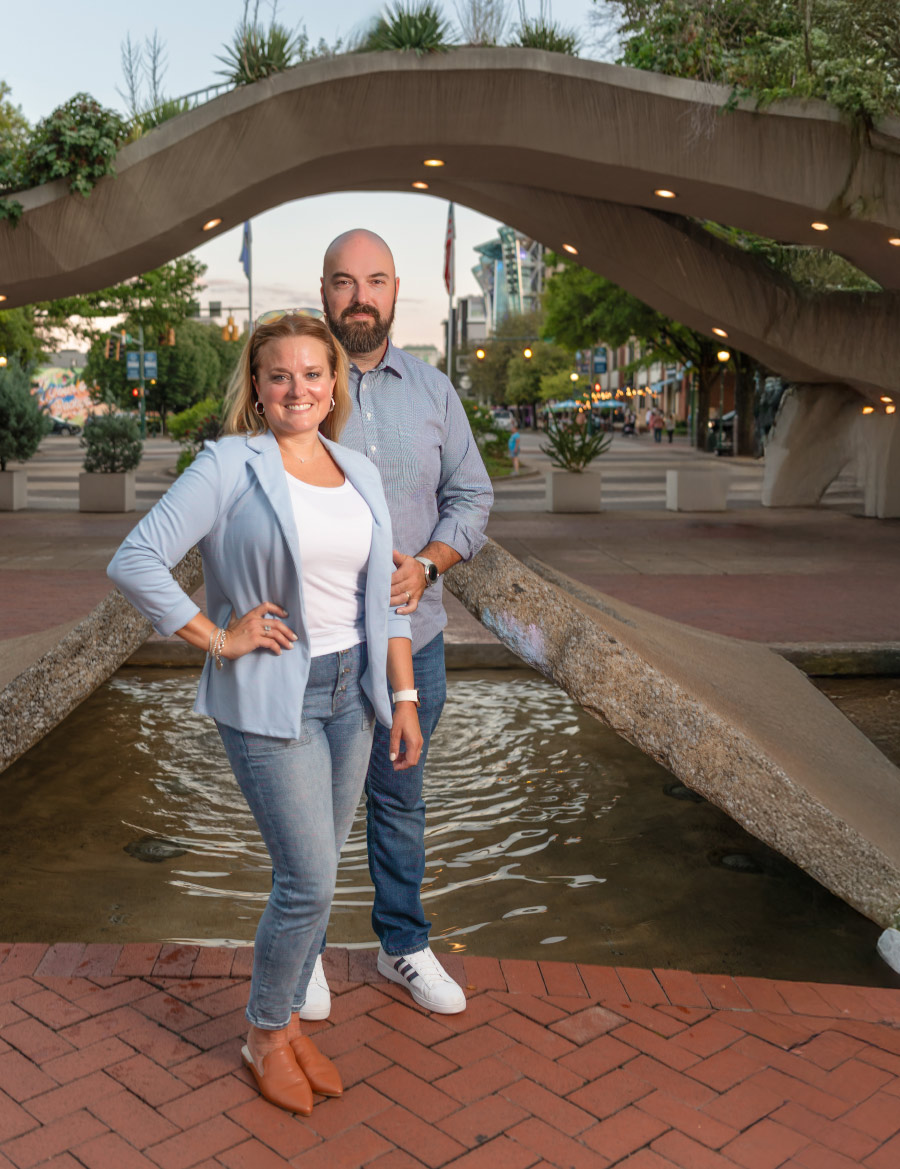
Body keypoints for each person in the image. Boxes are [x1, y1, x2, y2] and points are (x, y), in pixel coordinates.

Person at [108, 313, 422, 1116]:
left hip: (356, 693)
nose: (297, 389)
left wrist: (405, 695)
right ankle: (263, 1031)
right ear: (256, 384)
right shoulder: (226, 464)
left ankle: (280, 1029)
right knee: (307, 878)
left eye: (312, 374)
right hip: (271, 695)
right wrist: (217, 634)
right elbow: (135, 557)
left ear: (332, 384)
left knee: (319, 878)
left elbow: (385, 599)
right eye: (278, 375)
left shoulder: (357, 470)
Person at [303, 228, 492, 1017]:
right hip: (320, 646)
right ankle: (301, 951)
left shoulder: (435, 391)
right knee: (308, 806)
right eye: (344, 282)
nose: (359, 296)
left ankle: (402, 945)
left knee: (399, 799)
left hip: (416, 643)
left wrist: (431, 561)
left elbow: (472, 496)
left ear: (393, 290)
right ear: (324, 293)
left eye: (374, 280)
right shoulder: (298, 382)